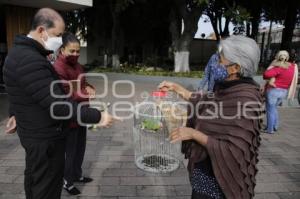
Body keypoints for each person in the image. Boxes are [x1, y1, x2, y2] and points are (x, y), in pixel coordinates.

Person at [3, 8, 116, 199]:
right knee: (46, 188)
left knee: (35, 179)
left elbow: (20, 89)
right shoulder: (30, 60)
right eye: (58, 34)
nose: (60, 39)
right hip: (44, 138)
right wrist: (98, 116)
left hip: (35, 131)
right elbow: (59, 104)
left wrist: (14, 113)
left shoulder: (21, 54)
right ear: (41, 30)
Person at [159, 35, 263, 199]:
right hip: (205, 169)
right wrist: (177, 89)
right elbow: (206, 101)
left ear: (235, 68)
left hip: (219, 181)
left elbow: (235, 150)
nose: (215, 64)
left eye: (220, 60)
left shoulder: (246, 98)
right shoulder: (228, 88)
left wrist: (193, 134)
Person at [53, 32, 95, 195]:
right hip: (69, 117)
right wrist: (84, 93)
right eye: (72, 51)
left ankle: (77, 175)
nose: (76, 54)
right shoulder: (58, 68)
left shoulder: (78, 66)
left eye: (78, 51)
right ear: (63, 50)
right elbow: (64, 95)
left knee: (80, 148)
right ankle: (67, 182)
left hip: (82, 114)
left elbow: (82, 84)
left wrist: (88, 87)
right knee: (70, 152)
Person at [263, 51, 298, 134]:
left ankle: (270, 129)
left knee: (270, 110)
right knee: (274, 108)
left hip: (273, 91)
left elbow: (265, 75)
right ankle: (275, 126)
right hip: (284, 91)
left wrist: (272, 65)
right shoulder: (292, 67)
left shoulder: (278, 67)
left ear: (278, 56)